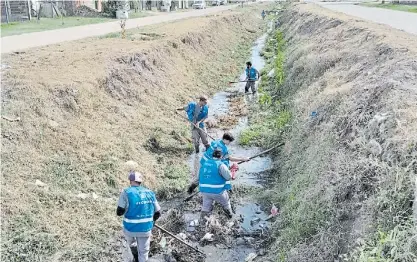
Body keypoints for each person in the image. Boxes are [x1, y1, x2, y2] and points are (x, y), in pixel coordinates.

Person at [117, 171, 161, 262]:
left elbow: (119, 212)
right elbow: (158, 213)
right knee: (144, 252)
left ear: (131, 181)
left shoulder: (126, 192)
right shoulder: (150, 192)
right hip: (145, 229)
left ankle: (134, 257)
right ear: (140, 181)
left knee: (131, 244)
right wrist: (152, 222)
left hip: (130, 228)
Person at [199, 148, 234, 219]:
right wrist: (233, 170)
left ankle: (202, 222)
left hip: (204, 191)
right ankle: (230, 218)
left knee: (205, 208)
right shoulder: (221, 165)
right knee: (226, 203)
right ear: (221, 156)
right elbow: (228, 177)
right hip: (218, 192)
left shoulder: (205, 163)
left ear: (212, 155)